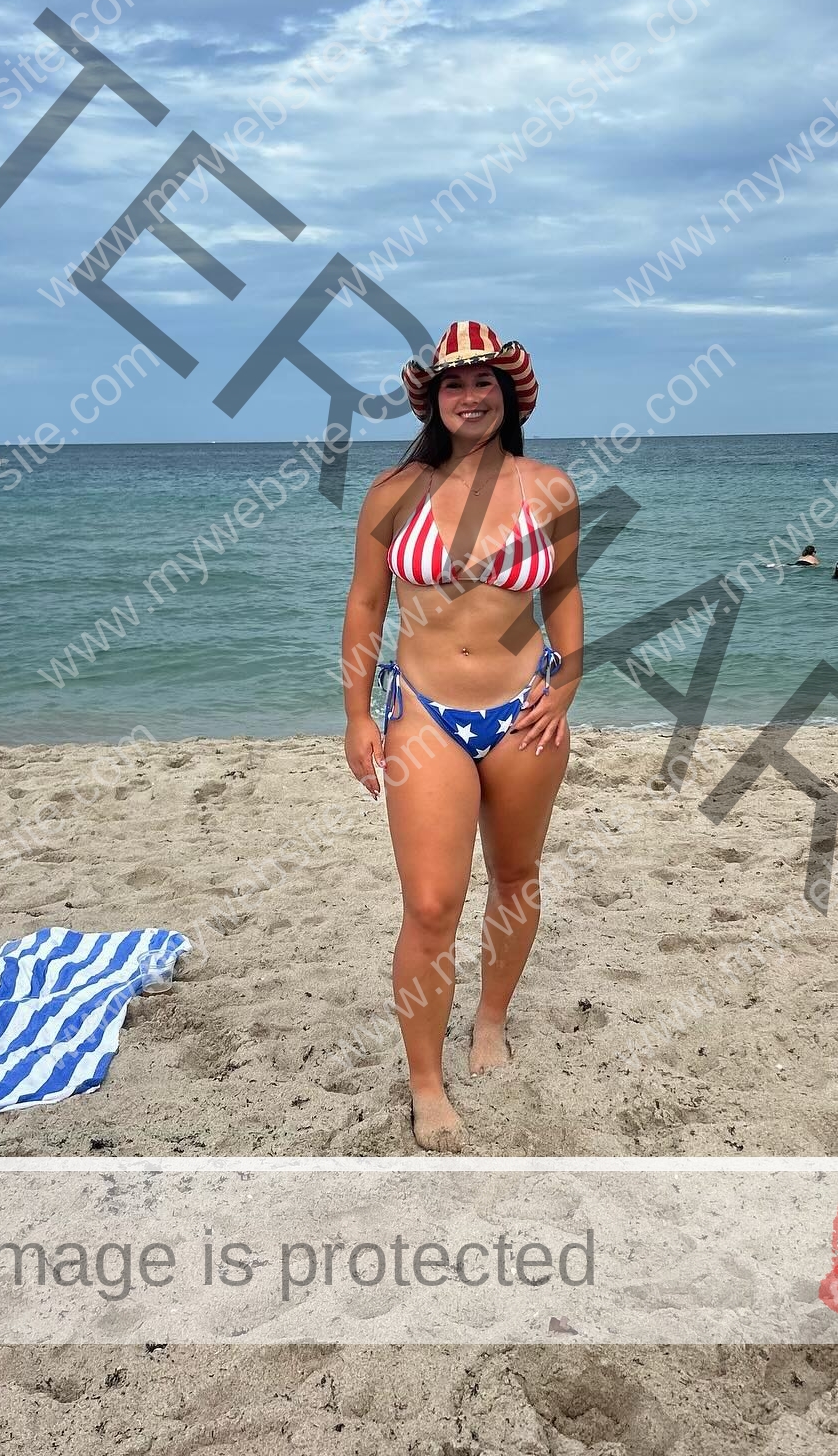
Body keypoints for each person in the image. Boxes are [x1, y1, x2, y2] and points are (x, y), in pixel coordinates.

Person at [341, 322, 583, 1152]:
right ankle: (423, 1081)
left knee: (515, 877)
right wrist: (353, 718)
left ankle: (489, 1020)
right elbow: (366, 607)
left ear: (510, 395)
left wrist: (569, 686)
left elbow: (566, 599)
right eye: (454, 385)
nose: (471, 397)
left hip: (525, 710)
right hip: (424, 714)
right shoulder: (393, 492)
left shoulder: (547, 488)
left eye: (485, 383)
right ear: (433, 400)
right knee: (433, 904)